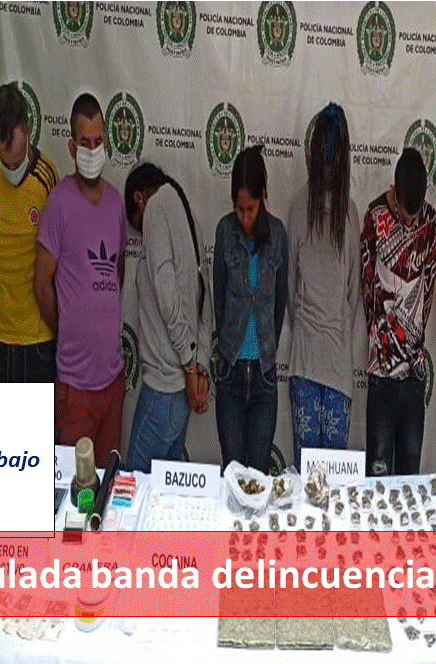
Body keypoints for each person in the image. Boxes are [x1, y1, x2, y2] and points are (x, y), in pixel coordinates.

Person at [35, 93, 126, 471]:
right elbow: (42, 283)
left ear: (107, 143)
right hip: (75, 387)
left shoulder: (116, 203)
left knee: (110, 488)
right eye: (84, 143)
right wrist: (67, 329)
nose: (92, 150)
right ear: (72, 147)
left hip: (113, 381)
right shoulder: (59, 203)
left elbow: (118, 272)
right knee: (78, 491)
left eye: (98, 141)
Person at [285, 103, 361, 470]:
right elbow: (352, 294)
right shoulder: (314, 209)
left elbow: (291, 289)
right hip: (324, 361)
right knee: (325, 479)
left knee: (315, 476)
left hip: (314, 359)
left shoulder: (336, 211)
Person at [124, 163, 211, 472]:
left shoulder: (157, 207)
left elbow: (167, 295)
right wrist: (199, 366)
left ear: (139, 199)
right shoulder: (188, 217)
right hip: (181, 391)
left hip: (164, 386)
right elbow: (205, 300)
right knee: (163, 494)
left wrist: (190, 365)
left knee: (132, 489)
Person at [360, 147, 436, 476]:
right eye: (405, 216)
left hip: (414, 372)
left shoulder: (429, 220)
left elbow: (429, 285)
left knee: (410, 475)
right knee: (378, 473)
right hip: (381, 370)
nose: (410, 222)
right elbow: (367, 289)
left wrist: (413, 342)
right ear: (394, 190)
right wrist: (383, 340)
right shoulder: (374, 216)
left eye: (414, 216)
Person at [213, 145, 288, 473]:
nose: (245, 217)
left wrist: (265, 347)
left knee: (258, 476)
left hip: (264, 377)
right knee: (232, 473)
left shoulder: (278, 234)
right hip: (230, 372)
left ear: (264, 196)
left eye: (251, 209)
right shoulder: (224, 231)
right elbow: (218, 299)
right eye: (239, 209)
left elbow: (280, 305)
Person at [0, 82, 59, 382]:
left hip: (37, 343)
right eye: (5, 159)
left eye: (16, 160)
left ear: (28, 131)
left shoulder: (47, 177)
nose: (11, 167)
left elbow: (57, 261)